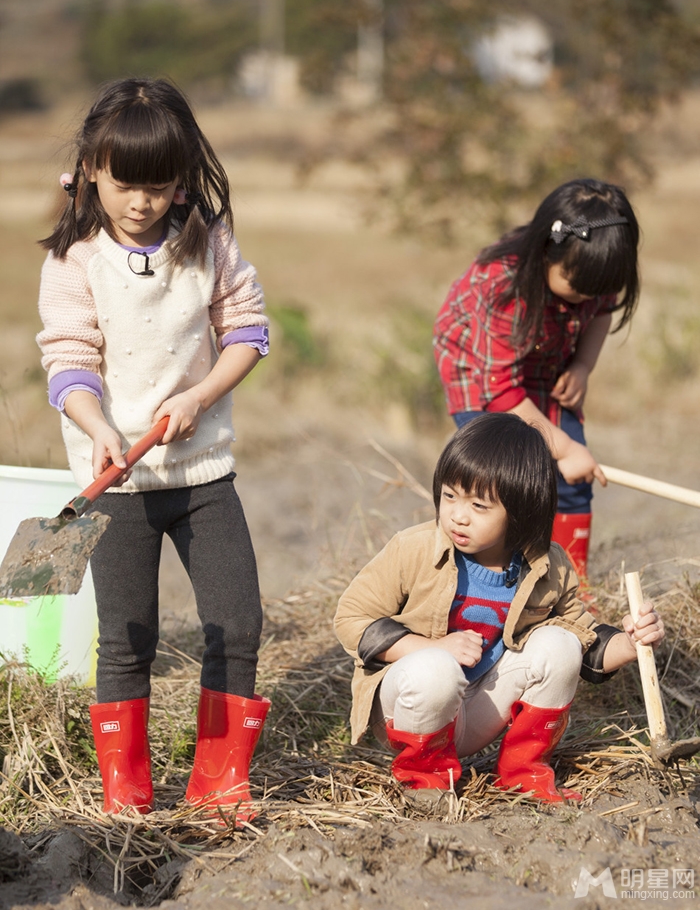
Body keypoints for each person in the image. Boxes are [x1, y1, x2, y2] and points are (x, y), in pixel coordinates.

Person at [37, 77, 270, 819]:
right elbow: (68, 362)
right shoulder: (76, 259)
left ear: (182, 180)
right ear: (93, 171)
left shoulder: (209, 243)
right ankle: (126, 798)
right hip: (117, 482)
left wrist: (198, 397)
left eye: (160, 185)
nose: (142, 202)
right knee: (127, 637)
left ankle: (220, 785)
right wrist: (98, 423)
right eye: (126, 184)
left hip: (203, 474)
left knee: (236, 623)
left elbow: (248, 334)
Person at [334, 414, 664, 804]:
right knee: (436, 669)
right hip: (414, 706)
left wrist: (629, 643)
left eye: (478, 505)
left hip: (480, 708)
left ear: (521, 510)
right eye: (450, 496)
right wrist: (429, 647)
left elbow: (584, 639)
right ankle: (425, 780)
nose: (458, 515)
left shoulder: (548, 564)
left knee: (559, 644)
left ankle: (524, 774)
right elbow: (351, 620)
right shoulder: (414, 548)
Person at [433, 179, 640, 579]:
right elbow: (501, 389)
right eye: (577, 288)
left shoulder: (598, 265)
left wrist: (582, 366)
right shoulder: (502, 286)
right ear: (548, 250)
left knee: (574, 479)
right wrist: (561, 449)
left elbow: (601, 312)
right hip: (482, 378)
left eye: (598, 290)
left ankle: (569, 586)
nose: (585, 298)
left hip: (547, 367)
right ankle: (488, 580)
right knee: (501, 483)